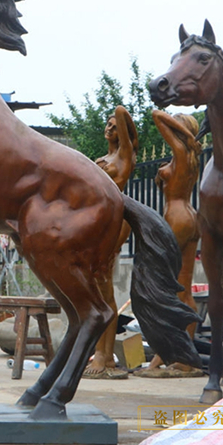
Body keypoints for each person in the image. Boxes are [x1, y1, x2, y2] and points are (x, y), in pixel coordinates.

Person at [135, 111, 203, 377]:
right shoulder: (188, 156)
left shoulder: (183, 149)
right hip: (191, 217)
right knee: (183, 290)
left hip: (176, 217)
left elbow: (156, 114)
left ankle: (166, 355)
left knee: (164, 290)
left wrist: (183, 133)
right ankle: (186, 358)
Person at [83, 105, 138, 378]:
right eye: (107, 124)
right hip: (97, 222)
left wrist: (120, 116)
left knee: (105, 290)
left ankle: (105, 356)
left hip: (114, 223)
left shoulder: (125, 155)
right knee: (95, 289)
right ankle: (101, 353)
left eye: (115, 126)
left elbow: (121, 110)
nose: (109, 128)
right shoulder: (99, 159)